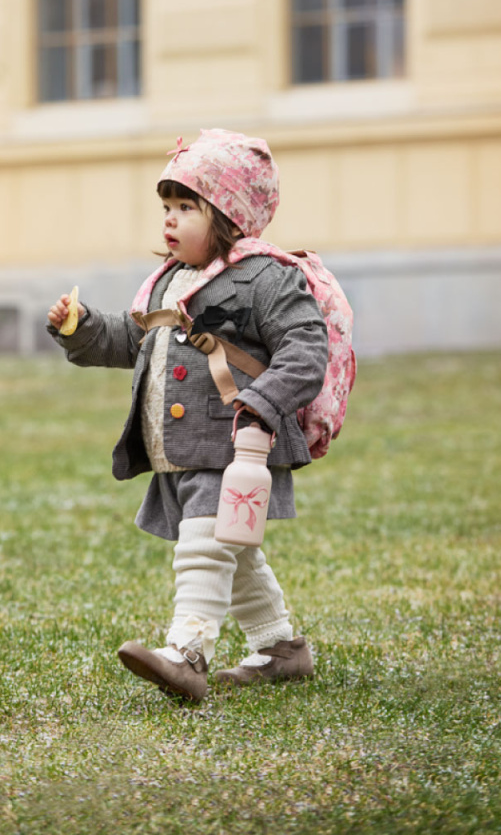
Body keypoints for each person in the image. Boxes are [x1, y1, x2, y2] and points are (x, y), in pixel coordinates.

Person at [47, 128, 328, 702]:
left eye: (186, 207)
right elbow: (135, 338)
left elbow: (307, 348)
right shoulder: (170, 281)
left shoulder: (268, 277)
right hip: (181, 447)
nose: (169, 220)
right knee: (234, 545)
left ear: (228, 214)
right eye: (166, 207)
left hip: (235, 443)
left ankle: (187, 654)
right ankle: (281, 650)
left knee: (202, 544)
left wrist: (262, 404)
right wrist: (80, 329)